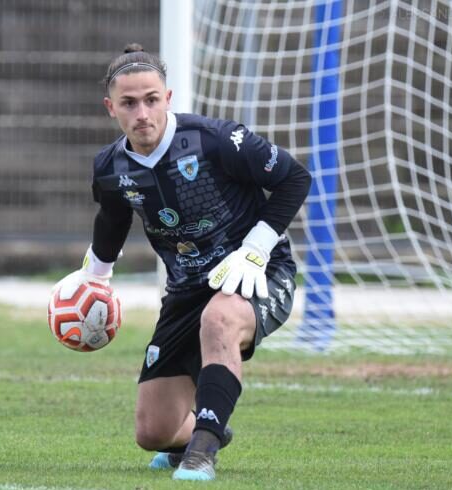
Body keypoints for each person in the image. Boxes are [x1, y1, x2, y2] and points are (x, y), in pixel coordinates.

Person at [55, 43, 310, 479]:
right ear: (110, 108)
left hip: (256, 273)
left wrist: (255, 250)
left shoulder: (216, 141)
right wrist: (94, 277)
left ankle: (202, 452)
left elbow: (294, 178)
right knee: (153, 431)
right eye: (129, 104)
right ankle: (205, 427)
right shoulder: (110, 167)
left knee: (220, 319)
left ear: (168, 99)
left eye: (152, 100)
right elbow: (113, 218)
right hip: (187, 288)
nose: (143, 114)